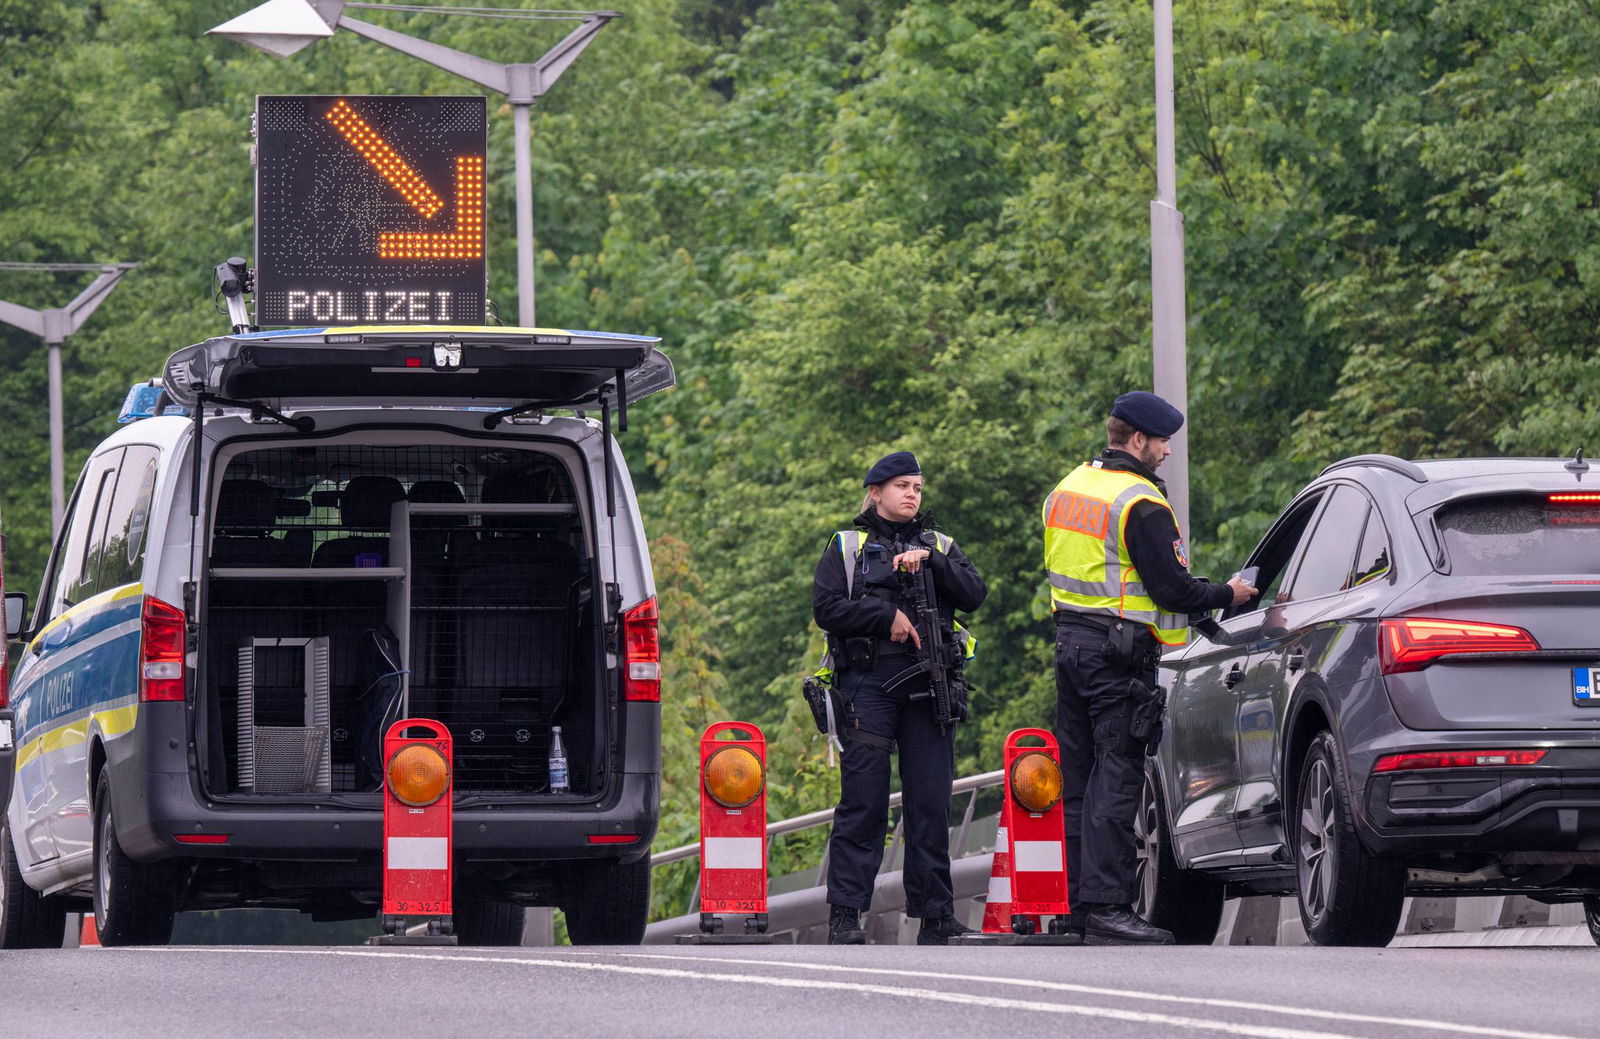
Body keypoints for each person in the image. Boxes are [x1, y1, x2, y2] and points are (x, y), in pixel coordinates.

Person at [1043, 392, 1256, 945]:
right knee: (1117, 780)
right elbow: (1174, 588)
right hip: (1118, 659)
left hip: (1070, 647)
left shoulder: (1068, 489)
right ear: (1138, 439)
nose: (1165, 453)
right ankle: (1110, 907)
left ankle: (1076, 910)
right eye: (1162, 442)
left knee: (1080, 785)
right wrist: (1228, 594)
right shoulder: (1139, 502)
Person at [813, 451, 988, 945]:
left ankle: (936, 918)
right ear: (875, 492)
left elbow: (975, 593)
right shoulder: (847, 546)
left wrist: (931, 561)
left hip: (930, 685)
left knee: (930, 804)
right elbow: (826, 608)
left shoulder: (940, 543)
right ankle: (845, 916)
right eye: (902, 486)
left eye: (918, 487)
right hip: (868, 689)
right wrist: (883, 616)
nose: (912, 494)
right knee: (863, 804)